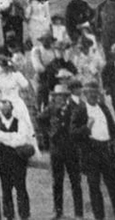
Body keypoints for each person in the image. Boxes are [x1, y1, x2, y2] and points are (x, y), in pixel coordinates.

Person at [72, 81, 115, 220]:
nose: (93, 95)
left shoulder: (103, 107)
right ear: (85, 94)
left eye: (95, 92)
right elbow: (72, 133)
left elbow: (113, 128)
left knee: (114, 187)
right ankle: (99, 217)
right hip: (91, 152)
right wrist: (86, 128)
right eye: (90, 93)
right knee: (94, 188)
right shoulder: (80, 110)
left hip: (106, 150)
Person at [36, 84, 83, 220]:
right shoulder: (51, 109)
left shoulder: (75, 108)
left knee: (75, 181)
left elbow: (82, 124)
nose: (60, 99)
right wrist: (49, 132)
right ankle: (58, 211)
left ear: (67, 97)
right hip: (56, 150)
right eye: (57, 96)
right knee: (57, 181)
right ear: (54, 98)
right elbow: (40, 119)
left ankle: (79, 213)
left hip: (72, 149)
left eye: (63, 96)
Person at [0, 98, 33, 220]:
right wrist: (13, 138)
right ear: (0, 110)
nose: (5, 111)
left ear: (12, 109)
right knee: (6, 188)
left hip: (18, 160)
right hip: (3, 160)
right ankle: (9, 215)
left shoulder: (20, 122)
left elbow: (22, 139)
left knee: (21, 187)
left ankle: (24, 215)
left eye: (7, 109)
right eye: (3, 109)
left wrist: (5, 138)